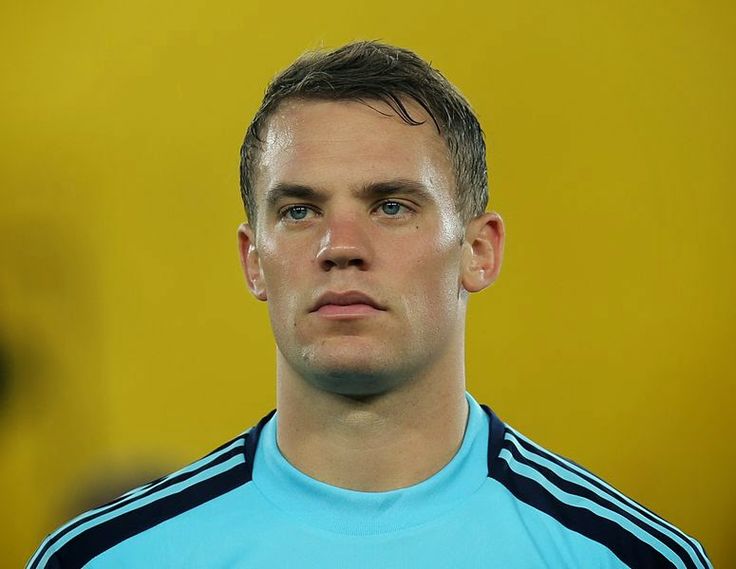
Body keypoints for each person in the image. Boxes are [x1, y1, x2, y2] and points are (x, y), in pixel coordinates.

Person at [28, 41, 711, 569]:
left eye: (391, 205)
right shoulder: (107, 557)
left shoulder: (625, 556)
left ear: (480, 250)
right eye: (299, 209)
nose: (339, 246)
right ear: (252, 260)